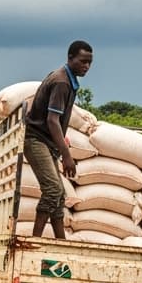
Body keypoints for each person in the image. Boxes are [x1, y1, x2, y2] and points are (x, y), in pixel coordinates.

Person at [24, 40, 94, 238]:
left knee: (60, 195)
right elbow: (52, 120)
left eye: (89, 62)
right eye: (82, 61)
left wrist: (61, 142)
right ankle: (35, 241)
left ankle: (60, 241)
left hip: (46, 141)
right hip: (36, 139)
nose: (86, 66)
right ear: (70, 58)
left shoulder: (67, 79)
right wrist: (67, 155)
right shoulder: (62, 81)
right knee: (53, 190)